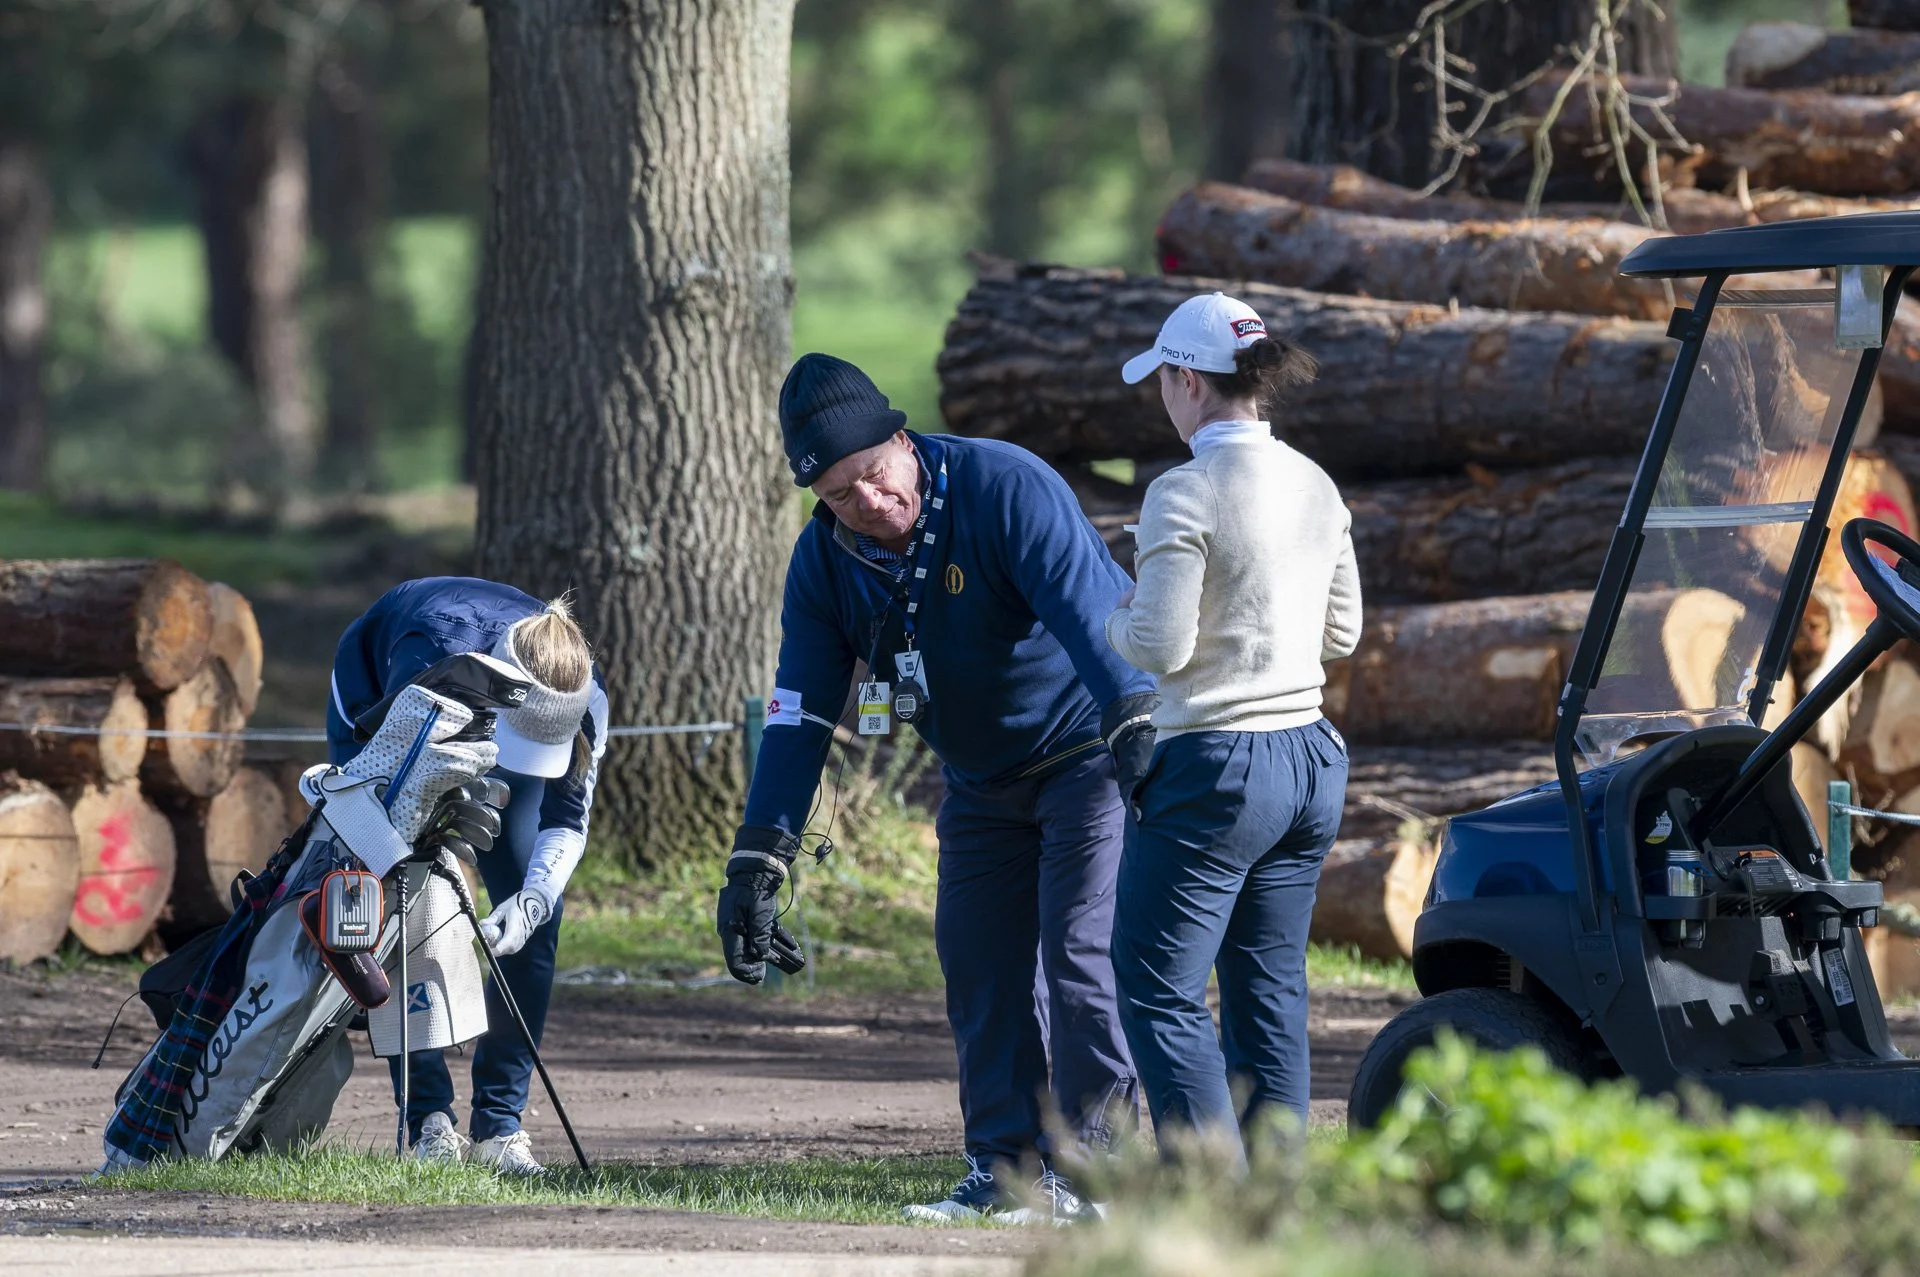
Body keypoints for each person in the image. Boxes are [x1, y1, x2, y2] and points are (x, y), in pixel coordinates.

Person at [716, 353, 1159, 1222]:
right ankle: (1006, 1169)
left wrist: (1138, 730)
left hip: (1085, 760)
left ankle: (1098, 1169)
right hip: (983, 785)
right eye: (841, 495)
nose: (869, 505)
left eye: (876, 477)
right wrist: (758, 854)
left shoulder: (1003, 486)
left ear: (902, 438)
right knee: (978, 965)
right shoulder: (824, 562)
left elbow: (1091, 615)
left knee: (1077, 954)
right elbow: (800, 711)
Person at [1104, 293, 1361, 1161]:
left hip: (1218, 764)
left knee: (1156, 984)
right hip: (1312, 760)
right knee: (1268, 987)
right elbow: (1343, 634)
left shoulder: (1184, 490)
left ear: (1185, 381)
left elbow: (1160, 645)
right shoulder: (1316, 483)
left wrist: (1116, 615)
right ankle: (1275, 1198)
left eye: (1162, 382)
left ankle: (1212, 1198)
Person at [326, 577, 608, 1175]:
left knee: (540, 916)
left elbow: (567, 818)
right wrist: (437, 857)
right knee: (403, 898)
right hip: (383, 710)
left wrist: (531, 900)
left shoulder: (588, 698)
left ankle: (499, 1127)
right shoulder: (429, 654)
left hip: (493, 712)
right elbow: (396, 811)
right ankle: (428, 1115)